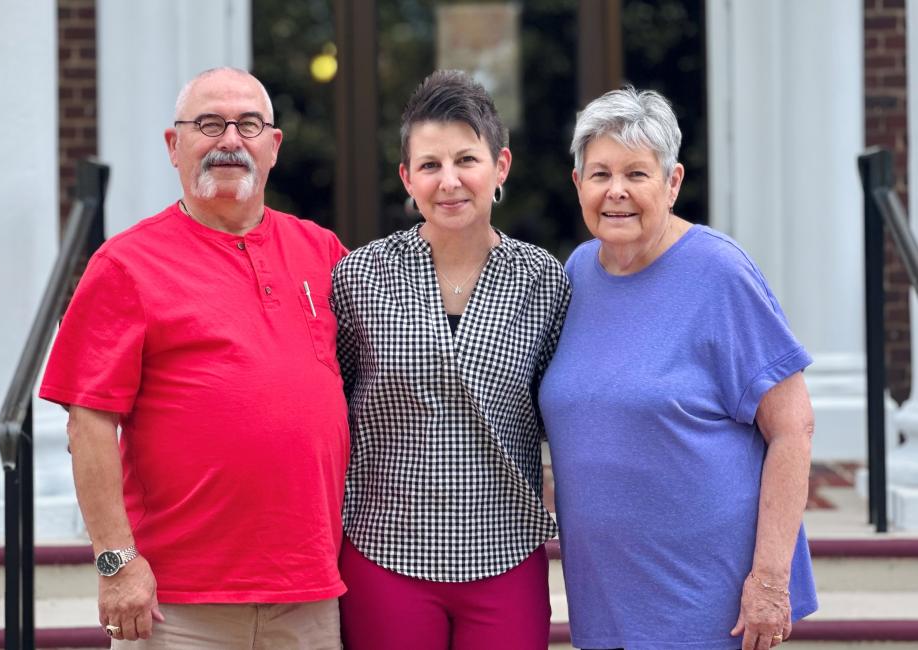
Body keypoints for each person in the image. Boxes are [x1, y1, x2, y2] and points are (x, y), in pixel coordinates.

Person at [39, 67, 349, 649]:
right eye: (209, 123)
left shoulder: (323, 252)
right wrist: (115, 562)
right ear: (173, 145)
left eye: (249, 124)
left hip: (307, 595)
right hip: (175, 607)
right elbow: (89, 422)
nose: (230, 140)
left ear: (273, 146)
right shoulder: (125, 265)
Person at [538, 86, 818, 650]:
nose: (616, 191)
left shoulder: (719, 274)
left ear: (673, 182)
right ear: (578, 185)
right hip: (607, 598)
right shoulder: (577, 272)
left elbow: (793, 427)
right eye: (600, 174)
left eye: (637, 174)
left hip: (706, 600)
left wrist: (769, 581)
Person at [332, 69, 571, 650]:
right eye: (430, 165)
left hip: (505, 552)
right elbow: (329, 405)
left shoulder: (544, 281)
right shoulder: (359, 277)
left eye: (466, 160)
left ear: (501, 167)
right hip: (383, 550)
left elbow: (566, 411)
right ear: (407, 178)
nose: (449, 181)